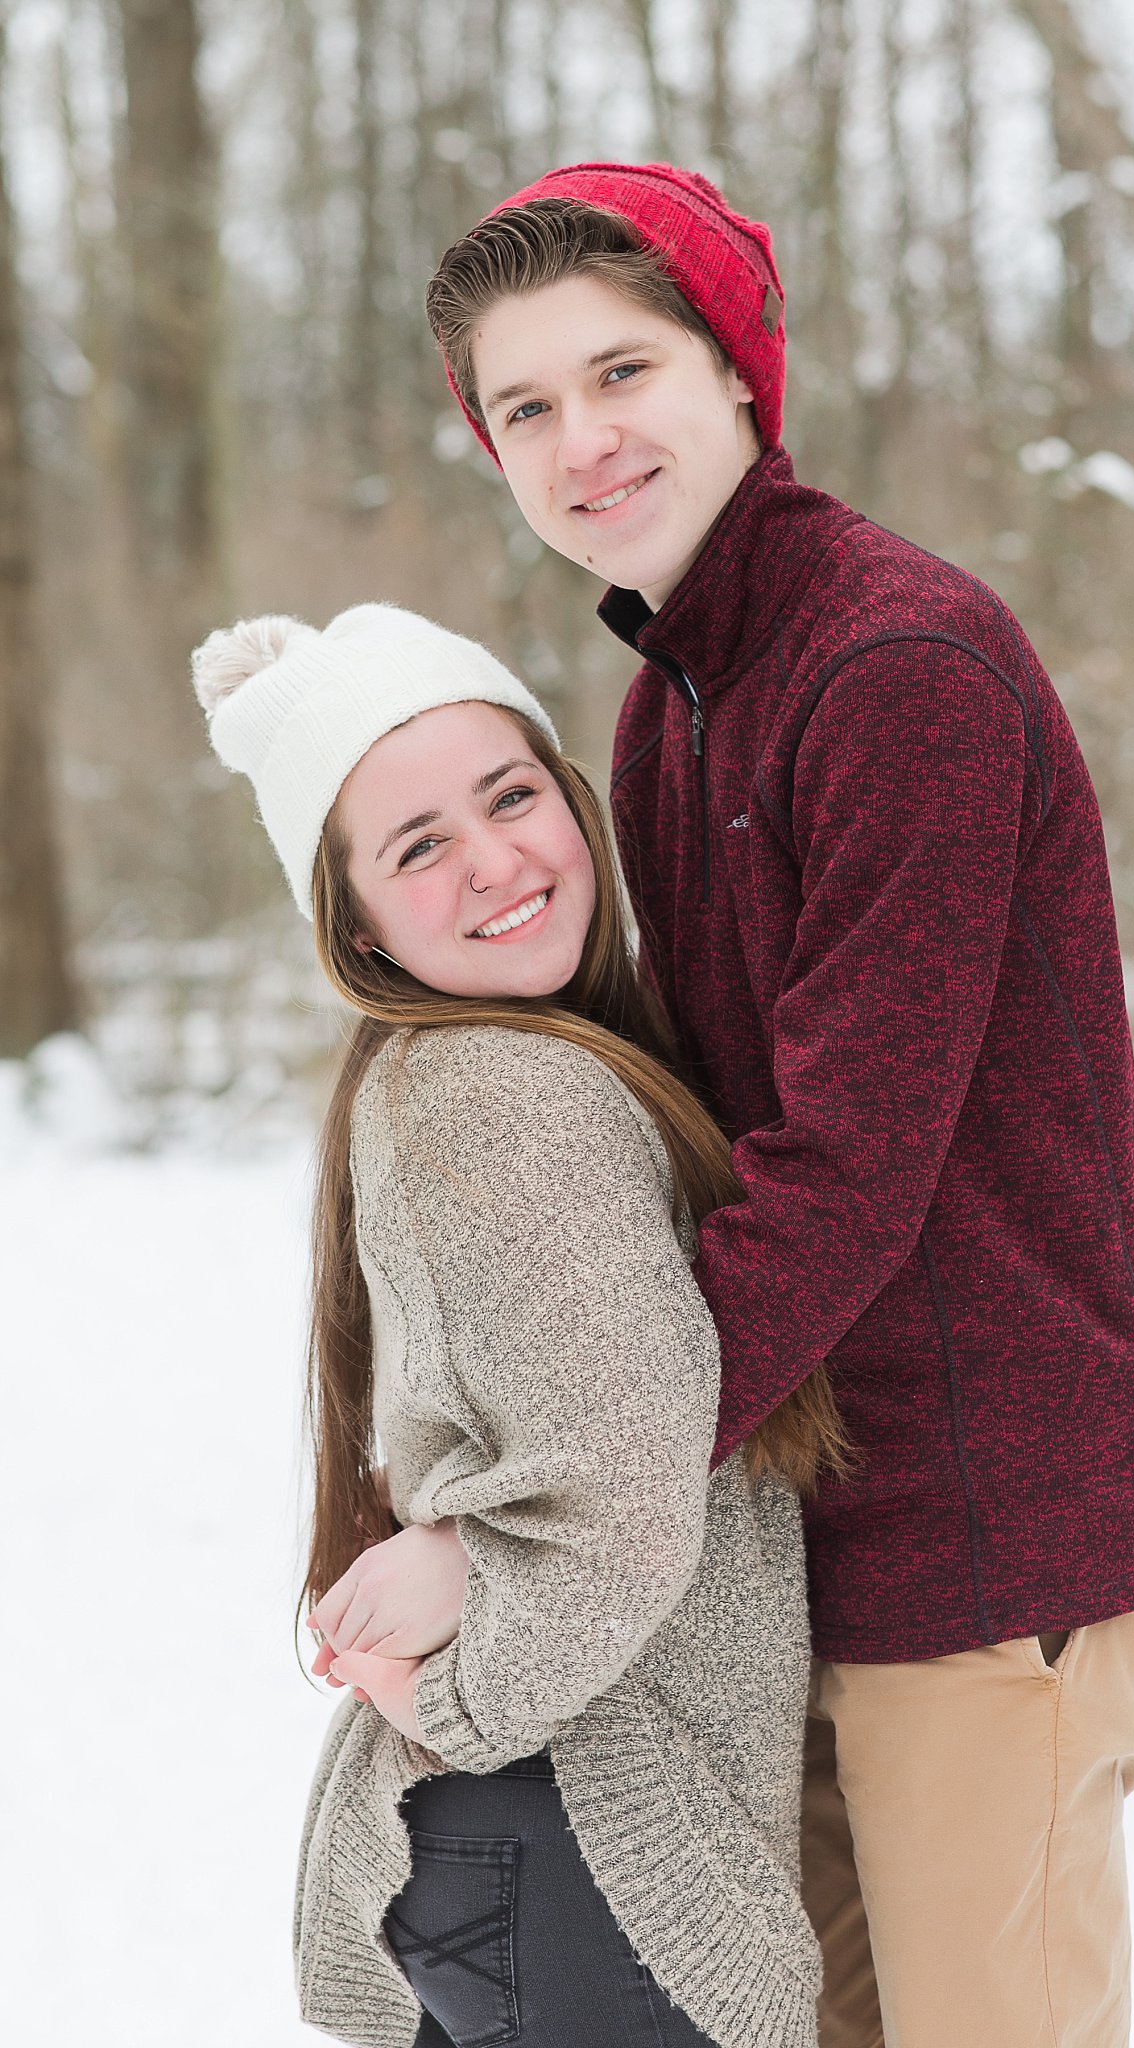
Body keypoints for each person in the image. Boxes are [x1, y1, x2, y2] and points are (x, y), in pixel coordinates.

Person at [364, 164, 1134, 2048]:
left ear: (738, 376)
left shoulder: (894, 666)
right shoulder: (674, 704)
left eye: (621, 371)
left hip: (995, 1551)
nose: (580, 439)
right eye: (523, 406)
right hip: (808, 1537)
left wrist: (541, 1526)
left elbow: (838, 1176)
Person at [190, 601, 847, 2048]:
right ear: (356, 916)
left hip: (530, 1840)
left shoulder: (488, 1068)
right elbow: (608, 1489)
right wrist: (470, 1700)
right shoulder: (509, 1092)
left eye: (511, 795)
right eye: (420, 845)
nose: (496, 860)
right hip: (593, 1833)